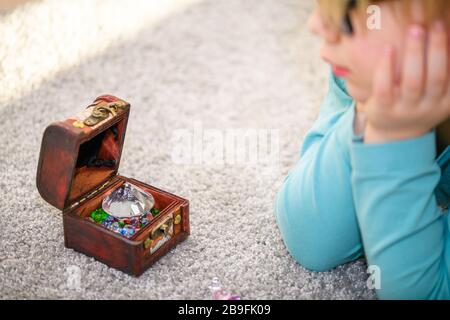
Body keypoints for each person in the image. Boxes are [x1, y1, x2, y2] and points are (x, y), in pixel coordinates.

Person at [275, 0, 450, 299]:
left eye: (345, 20)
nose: (315, 24)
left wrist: (394, 134)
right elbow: (312, 236)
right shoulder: (356, 76)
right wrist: (383, 125)